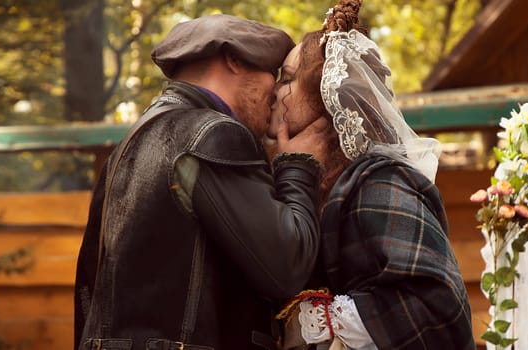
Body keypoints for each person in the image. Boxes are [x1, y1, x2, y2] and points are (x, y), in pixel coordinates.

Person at [74, 14, 329, 350]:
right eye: (272, 74)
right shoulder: (214, 134)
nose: (276, 92)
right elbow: (288, 267)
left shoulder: (130, 144)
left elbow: (89, 294)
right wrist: (296, 164)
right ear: (234, 61)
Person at [268, 1, 475, 349]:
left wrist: (314, 321)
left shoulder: (377, 185)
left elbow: (439, 310)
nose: (274, 92)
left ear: (325, 96)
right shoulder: (315, 183)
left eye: (287, 79)